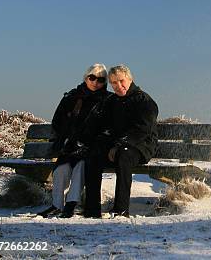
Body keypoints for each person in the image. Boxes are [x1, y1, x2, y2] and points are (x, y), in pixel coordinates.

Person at [82, 65, 158, 218]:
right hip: (116, 146)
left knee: (123, 156)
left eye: (121, 81)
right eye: (114, 83)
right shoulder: (112, 101)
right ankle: (92, 209)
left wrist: (119, 145)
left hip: (140, 146)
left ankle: (121, 210)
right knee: (93, 156)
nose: (119, 86)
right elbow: (104, 126)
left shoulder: (144, 100)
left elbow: (142, 130)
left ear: (130, 79)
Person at [37, 64, 111, 218]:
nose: (95, 82)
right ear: (86, 77)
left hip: (90, 147)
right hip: (69, 145)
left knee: (81, 167)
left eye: (101, 79)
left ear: (105, 82)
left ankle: (70, 205)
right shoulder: (72, 96)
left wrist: (91, 141)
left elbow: (108, 127)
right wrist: (66, 136)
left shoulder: (108, 100)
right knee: (61, 170)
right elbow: (57, 120)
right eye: (92, 78)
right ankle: (56, 205)